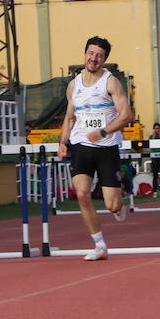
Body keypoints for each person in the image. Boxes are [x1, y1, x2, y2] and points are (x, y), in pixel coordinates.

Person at [57, 36, 132, 261]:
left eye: (99, 55)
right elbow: (69, 118)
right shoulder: (74, 84)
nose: (94, 58)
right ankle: (99, 245)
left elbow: (127, 116)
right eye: (91, 53)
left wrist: (103, 132)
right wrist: (63, 142)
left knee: (111, 205)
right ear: (85, 54)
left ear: (104, 59)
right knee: (82, 194)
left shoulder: (111, 82)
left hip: (106, 147)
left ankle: (121, 201)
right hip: (81, 145)